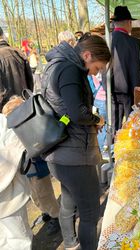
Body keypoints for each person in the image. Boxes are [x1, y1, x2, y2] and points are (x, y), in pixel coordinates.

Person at [41, 33, 111, 250]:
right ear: (87, 55)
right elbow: (77, 112)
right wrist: (97, 119)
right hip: (72, 155)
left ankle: (71, 243)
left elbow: (65, 113)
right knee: (90, 212)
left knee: (69, 202)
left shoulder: (58, 64)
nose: (96, 72)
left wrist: (82, 119)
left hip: (61, 152)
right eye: (97, 67)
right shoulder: (70, 69)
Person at [108, 6, 140, 133]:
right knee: (132, 129)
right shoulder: (137, 44)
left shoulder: (105, 41)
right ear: (129, 22)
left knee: (114, 127)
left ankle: (113, 148)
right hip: (131, 92)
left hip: (110, 91)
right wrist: (138, 80)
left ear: (114, 23)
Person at [0, 96, 32, 250]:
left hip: (8, 195)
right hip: (9, 196)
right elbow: (16, 150)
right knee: (18, 239)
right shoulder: (3, 123)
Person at [0, 26, 33, 111]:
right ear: (2, 35)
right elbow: (30, 81)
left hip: (6, 110)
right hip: (24, 104)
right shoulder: (18, 52)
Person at [26, 157, 61, 235]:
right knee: (34, 195)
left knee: (45, 194)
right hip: (23, 170)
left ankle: (56, 216)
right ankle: (46, 211)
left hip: (36, 165)